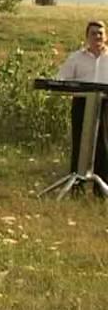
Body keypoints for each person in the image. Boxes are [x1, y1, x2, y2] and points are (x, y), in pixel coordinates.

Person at [58, 20, 108, 196]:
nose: (97, 37)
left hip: (105, 104)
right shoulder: (76, 57)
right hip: (82, 103)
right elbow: (61, 79)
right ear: (87, 36)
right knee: (80, 143)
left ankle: (101, 190)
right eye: (93, 33)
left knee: (103, 145)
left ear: (106, 36)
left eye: (100, 33)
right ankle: (76, 187)